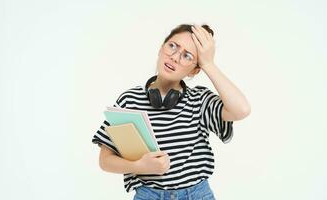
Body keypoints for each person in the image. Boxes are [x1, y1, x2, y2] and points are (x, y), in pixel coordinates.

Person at [92, 23, 251, 200]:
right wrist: (140, 166)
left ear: (195, 70)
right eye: (173, 46)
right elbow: (105, 161)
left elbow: (241, 110)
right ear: (161, 47)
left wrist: (208, 63)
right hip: (148, 195)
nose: (175, 57)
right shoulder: (129, 100)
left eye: (187, 55)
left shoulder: (199, 100)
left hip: (197, 195)